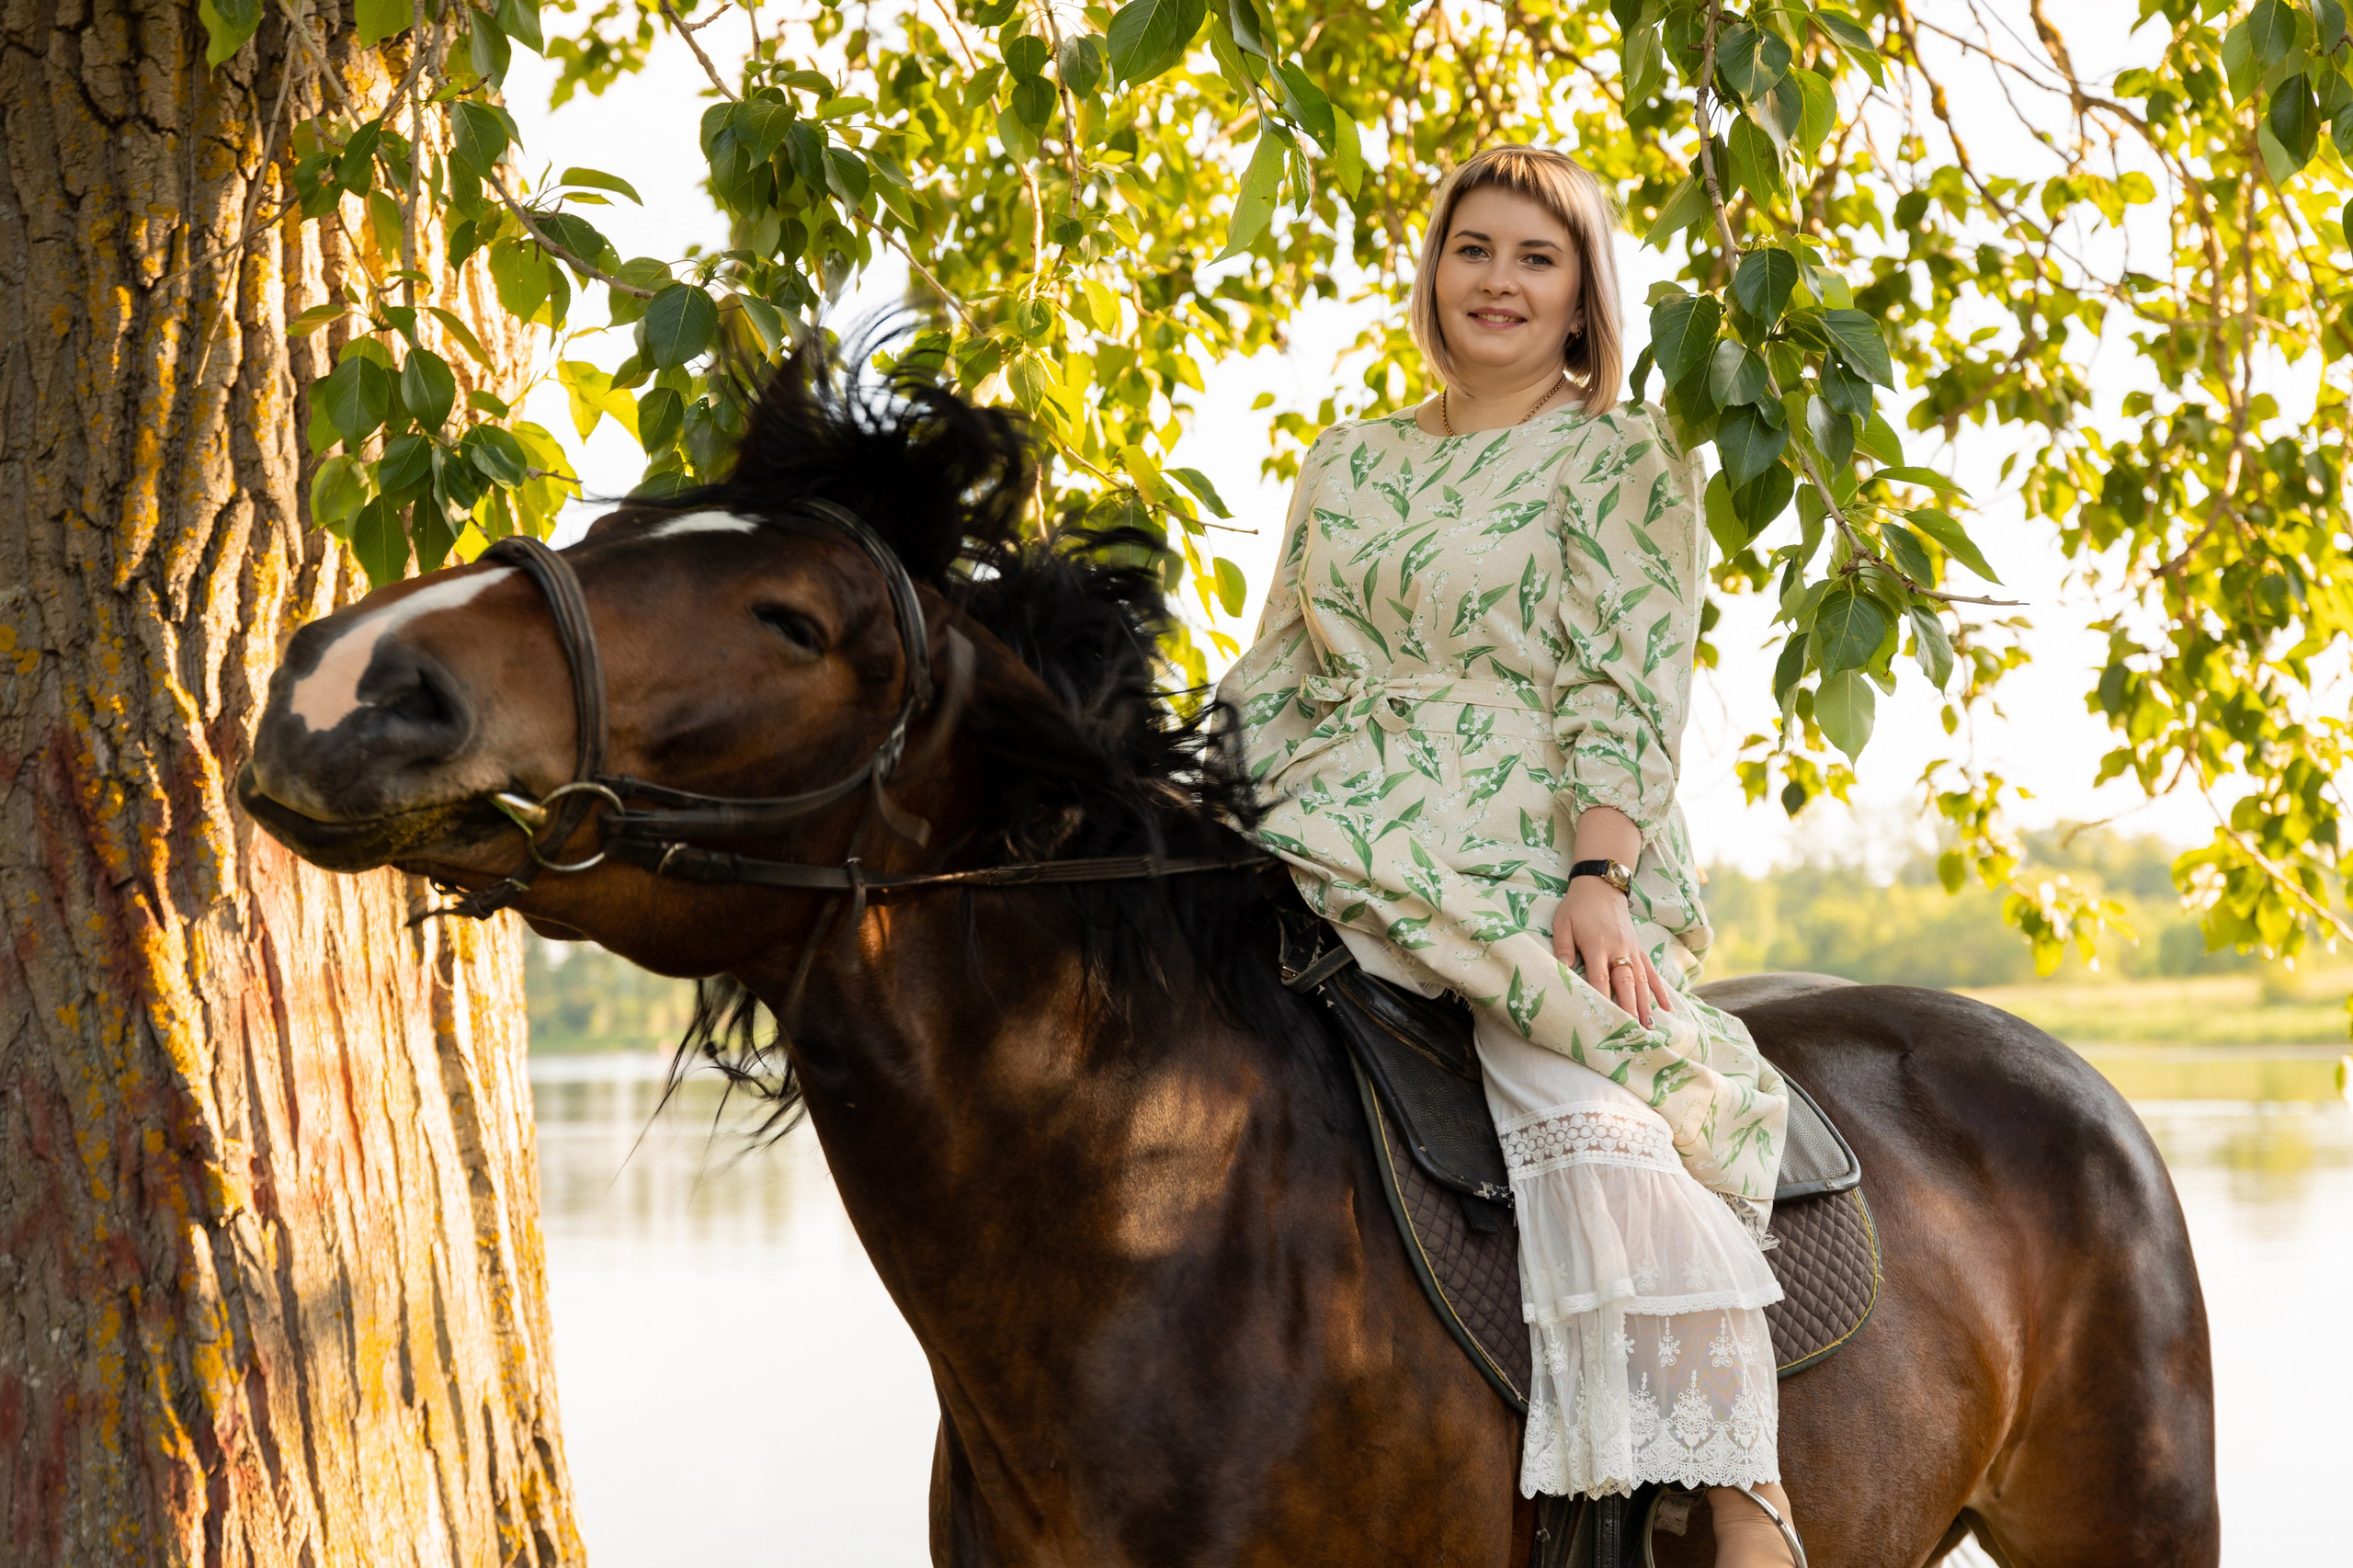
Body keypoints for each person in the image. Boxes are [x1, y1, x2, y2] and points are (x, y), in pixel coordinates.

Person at [1217, 145, 1801, 1565]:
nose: (1498, 280)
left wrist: (1596, 874)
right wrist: (1184, 792)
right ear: (1433, 273)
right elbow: (1276, 667)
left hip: (1520, 830)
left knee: (1571, 1082)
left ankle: (1742, 1492)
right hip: (1321, 808)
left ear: (1584, 299)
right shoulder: (1348, 459)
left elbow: (1627, 674)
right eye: (1473, 249)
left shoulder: (1615, 457)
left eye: (1536, 259)